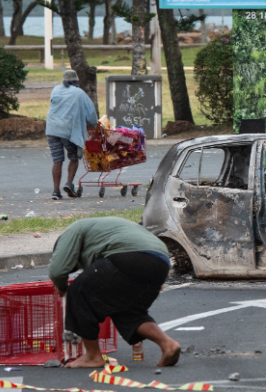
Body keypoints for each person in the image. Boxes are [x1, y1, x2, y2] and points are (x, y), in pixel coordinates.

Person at [49, 217, 181, 368]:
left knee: (79, 291)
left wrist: (61, 287)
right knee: (128, 312)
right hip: (160, 261)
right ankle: (168, 345)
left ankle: (93, 356)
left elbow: (57, 270)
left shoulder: (72, 232)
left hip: (129, 256)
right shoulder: (103, 229)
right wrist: (156, 276)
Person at [45, 69, 97, 200]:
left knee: (57, 160)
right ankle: (69, 183)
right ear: (76, 81)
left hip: (51, 129)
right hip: (68, 130)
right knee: (74, 157)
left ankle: (56, 192)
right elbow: (91, 114)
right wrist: (93, 124)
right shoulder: (79, 93)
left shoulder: (56, 89)